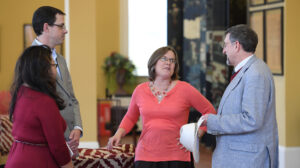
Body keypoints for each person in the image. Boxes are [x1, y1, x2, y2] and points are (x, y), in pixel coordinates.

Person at [107, 46, 216, 168]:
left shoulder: (185, 89)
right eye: (164, 59)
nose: (168, 63)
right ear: (154, 63)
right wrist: (118, 134)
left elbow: (210, 111)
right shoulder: (140, 90)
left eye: (172, 60)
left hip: (178, 156)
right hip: (145, 156)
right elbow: (130, 117)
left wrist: (196, 136)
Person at [201, 24, 279, 168]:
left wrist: (213, 121)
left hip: (247, 160)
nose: (224, 51)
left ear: (236, 45)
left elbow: (251, 119)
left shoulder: (255, 73)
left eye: (225, 45)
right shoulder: (249, 70)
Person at [6, 45, 74, 168]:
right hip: (37, 162)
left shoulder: (20, 93)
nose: (56, 70)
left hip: (15, 159)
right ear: (42, 69)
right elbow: (58, 147)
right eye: (54, 65)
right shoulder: (45, 102)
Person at [31, 6, 82, 153]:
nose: (65, 30)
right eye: (61, 26)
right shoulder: (29, 60)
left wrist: (77, 128)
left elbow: (72, 98)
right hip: (46, 145)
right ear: (46, 27)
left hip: (69, 142)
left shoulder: (61, 59)